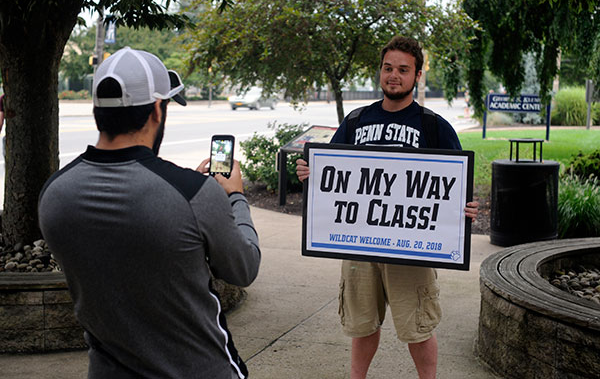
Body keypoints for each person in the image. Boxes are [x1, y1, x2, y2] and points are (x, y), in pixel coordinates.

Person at [38, 47, 260, 379]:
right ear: (157, 110)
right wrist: (235, 197)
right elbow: (244, 267)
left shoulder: (54, 194)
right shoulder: (193, 194)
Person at [296, 36, 479, 379]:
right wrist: (310, 173)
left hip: (411, 248)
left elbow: (457, 186)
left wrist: (465, 209)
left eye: (403, 70)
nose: (394, 75)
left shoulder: (432, 125)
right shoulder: (356, 120)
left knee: (418, 326)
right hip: (358, 246)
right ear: (380, 71)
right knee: (361, 323)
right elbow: (331, 177)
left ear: (417, 76)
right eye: (388, 68)